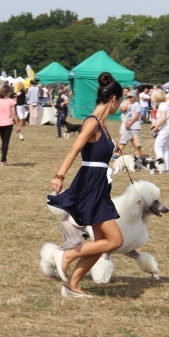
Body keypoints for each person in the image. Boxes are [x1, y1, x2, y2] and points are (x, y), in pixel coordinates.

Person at [47, 72, 124, 297]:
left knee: (102, 241)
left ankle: (72, 285)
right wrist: (59, 176)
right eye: (119, 103)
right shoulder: (92, 122)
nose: (118, 108)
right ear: (113, 99)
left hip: (100, 185)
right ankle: (67, 255)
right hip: (91, 185)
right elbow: (75, 149)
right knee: (115, 240)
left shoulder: (104, 124)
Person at [0, 84, 20, 166]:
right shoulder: (11, 101)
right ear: (7, 92)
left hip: (0, 124)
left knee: (3, 142)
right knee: (6, 142)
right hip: (8, 123)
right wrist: (18, 124)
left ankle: (4, 160)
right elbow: (14, 114)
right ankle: (2, 160)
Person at [150, 89, 169, 172]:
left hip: (165, 129)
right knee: (164, 148)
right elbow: (164, 118)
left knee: (158, 147)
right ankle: (165, 167)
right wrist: (155, 125)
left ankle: (160, 166)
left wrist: (156, 127)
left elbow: (163, 118)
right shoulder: (164, 105)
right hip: (168, 128)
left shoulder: (162, 106)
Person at [117, 90, 142, 159]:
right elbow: (128, 115)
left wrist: (130, 123)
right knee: (122, 140)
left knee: (137, 142)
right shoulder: (129, 105)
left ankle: (139, 156)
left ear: (135, 97)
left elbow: (136, 116)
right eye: (128, 97)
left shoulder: (137, 105)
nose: (130, 99)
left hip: (135, 126)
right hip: (128, 126)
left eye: (131, 97)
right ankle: (117, 154)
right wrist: (126, 123)